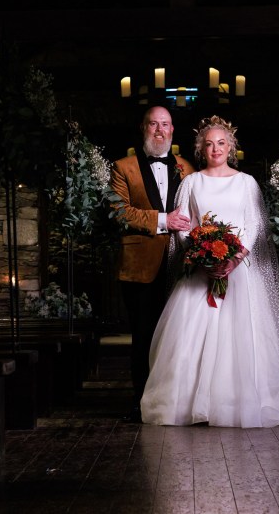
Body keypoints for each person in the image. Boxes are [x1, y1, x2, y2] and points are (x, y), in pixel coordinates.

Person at [141, 115, 279, 428]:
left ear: (231, 147)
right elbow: (183, 226)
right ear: (201, 149)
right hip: (201, 274)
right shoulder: (191, 183)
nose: (215, 149)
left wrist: (234, 259)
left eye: (221, 143)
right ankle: (188, 404)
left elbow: (254, 224)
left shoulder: (246, 182)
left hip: (240, 274)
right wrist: (202, 258)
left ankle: (238, 403)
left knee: (244, 342)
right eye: (208, 144)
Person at [110, 106, 195, 422]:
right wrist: (164, 220)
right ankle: (142, 403)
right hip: (139, 268)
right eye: (153, 124)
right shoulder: (122, 168)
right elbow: (119, 212)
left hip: (182, 265)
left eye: (165, 125)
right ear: (143, 128)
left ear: (172, 131)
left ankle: (175, 401)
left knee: (179, 337)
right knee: (144, 336)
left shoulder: (187, 167)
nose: (159, 130)